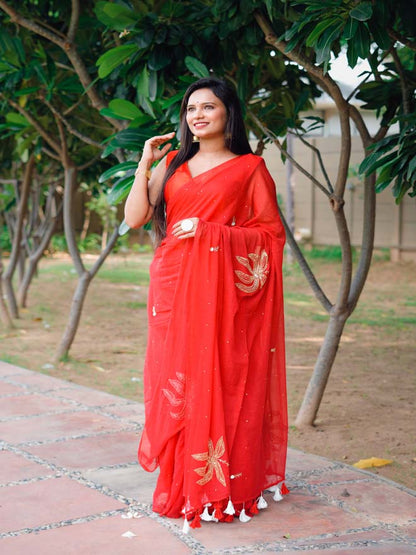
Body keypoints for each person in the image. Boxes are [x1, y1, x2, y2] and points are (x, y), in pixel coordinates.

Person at [125, 77, 288, 531]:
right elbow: (136, 217)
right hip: (171, 284)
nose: (197, 115)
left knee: (217, 374)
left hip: (218, 291)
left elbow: (269, 236)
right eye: (191, 109)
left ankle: (222, 487)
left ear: (228, 114)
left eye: (208, 107)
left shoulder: (249, 168)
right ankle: (181, 483)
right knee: (173, 378)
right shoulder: (175, 164)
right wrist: (144, 165)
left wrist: (210, 231)